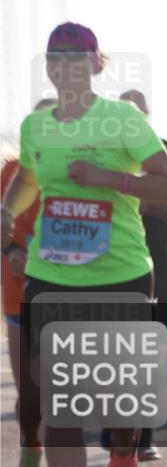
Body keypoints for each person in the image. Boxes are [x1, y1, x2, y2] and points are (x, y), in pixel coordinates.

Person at [1, 22, 167, 467]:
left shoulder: (123, 119)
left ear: (94, 64)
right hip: (51, 275)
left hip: (119, 274)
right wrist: (6, 211)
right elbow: (28, 175)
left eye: (75, 58)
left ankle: (124, 456)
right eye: (55, 59)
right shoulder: (35, 126)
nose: (65, 68)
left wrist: (109, 179)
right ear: (48, 67)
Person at [118, 90, 167, 461]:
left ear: (146, 116)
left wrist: (137, 199)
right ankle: (119, 433)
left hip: (155, 260)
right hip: (110, 261)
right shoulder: (107, 153)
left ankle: (142, 437)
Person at [1, 99, 55, 467]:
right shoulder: (9, 173)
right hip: (19, 293)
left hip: (66, 289)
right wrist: (10, 251)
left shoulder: (78, 175)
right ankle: (31, 450)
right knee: (28, 391)